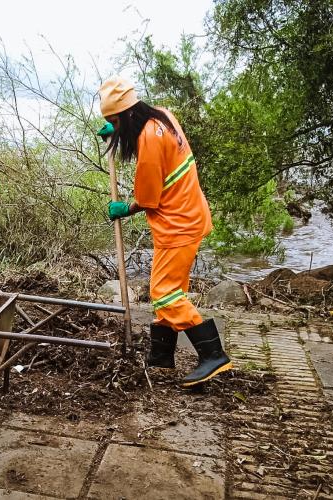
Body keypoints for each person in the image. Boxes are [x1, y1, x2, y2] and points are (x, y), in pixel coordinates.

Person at [98, 75, 232, 387]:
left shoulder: (148, 138)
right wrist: (116, 132)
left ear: (127, 114)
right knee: (171, 289)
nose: (115, 128)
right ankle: (161, 358)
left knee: (164, 292)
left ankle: (213, 354)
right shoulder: (162, 116)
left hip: (179, 224)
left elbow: (148, 198)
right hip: (186, 215)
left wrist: (125, 208)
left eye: (114, 122)